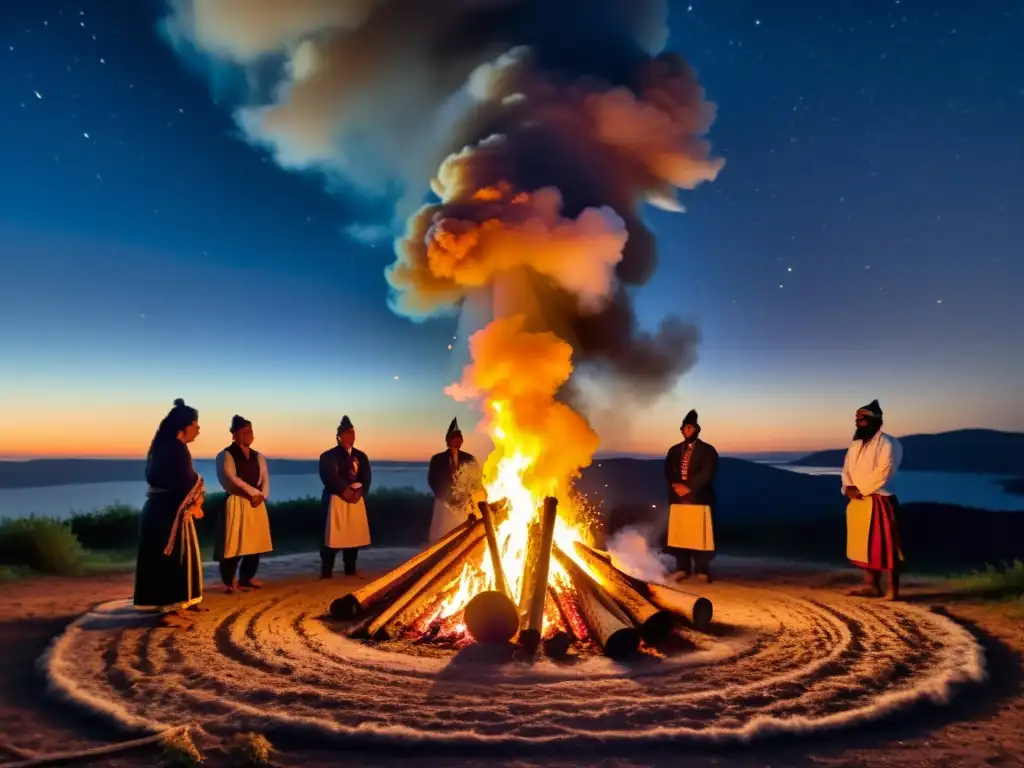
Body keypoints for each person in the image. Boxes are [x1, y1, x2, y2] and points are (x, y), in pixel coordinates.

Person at [133, 398, 205, 620]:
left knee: (181, 557)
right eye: (196, 424)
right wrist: (197, 497)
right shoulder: (174, 449)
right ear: (184, 426)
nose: (199, 429)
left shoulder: (163, 446)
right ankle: (168, 610)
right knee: (169, 559)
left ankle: (182, 602)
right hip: (168, 513)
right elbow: (186, 481)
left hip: (165, 510)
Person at [841, 399, 905, 600]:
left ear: (876, 421)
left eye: (864, 418)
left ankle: (892, 589)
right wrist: (848, 488)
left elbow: (884, 471)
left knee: (886, 545)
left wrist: (862, 489)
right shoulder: (856, 445)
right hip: (858, 500)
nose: (859, 421)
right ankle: (871, 586)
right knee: (863, 545)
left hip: (880, 498)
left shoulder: (889, 443)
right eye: (857, 418)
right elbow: (846, 470)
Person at [215, 415, 273, 593]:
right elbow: (231, 477)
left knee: (255, 544)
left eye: (251, 431)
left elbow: (264, 478)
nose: (249, 435)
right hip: (238, 501)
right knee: (235, 543)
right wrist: (252, 493)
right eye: (245, 432)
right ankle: (228, 581)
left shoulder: (259, 456)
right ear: (234, 434)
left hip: (256, 504)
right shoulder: (226, 455)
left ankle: (246, 578)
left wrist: (262, 495)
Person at [664, 409, 719, 583]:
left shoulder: (708, 450)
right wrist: (676, 485)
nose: (686, 432)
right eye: (684, 429)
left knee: (700, 535)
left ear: (696, 429)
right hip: (678, 498)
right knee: (681, 533)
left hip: (699, 498)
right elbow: (668, 470)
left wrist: (689, 487)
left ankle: (702, 569)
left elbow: (708, 472)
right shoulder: (674, 450)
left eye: (689, 428)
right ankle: (682, 568)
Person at [319, 415, 372, 578]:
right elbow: (329, 476)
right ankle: (326, 571)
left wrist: (360, 492)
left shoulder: (361, 456)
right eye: (348, 433)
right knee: (332, 536)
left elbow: (366, 476)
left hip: (356, 499)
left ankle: (350, 569)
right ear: (340, 436)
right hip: (336, 499)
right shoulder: (328, 456)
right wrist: (343, 490)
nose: (351, 436)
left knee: (353, 535)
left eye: (353, 433)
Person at [427, 418, 479, 543]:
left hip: (464, 502)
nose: (459, 440)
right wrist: (444, 497)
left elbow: (476, 478)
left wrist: (466, 496)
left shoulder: (469, 458)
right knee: (442, 532)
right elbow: (433, 479)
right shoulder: (438, 459)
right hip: (443, 502)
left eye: (461, 438)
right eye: (456, 438)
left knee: (462, 531)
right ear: (449, 440)